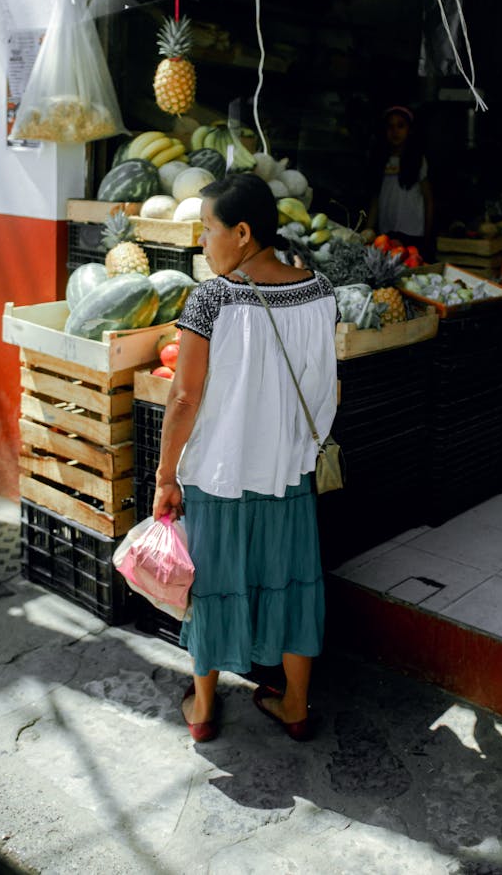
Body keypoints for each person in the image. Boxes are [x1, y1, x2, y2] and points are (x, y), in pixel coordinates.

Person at [152, 173, 338, 744]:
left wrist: (165, 475)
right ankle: (296, 705)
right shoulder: (320, 291)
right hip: (288, 472)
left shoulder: (211, 299)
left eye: (208, 230)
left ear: (242, 231)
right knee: (293, 584)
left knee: (211, 586)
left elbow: (184, 397)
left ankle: (204, 710)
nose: (202, 242)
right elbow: (328, 385)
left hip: (219, 474)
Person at [366, 105, 434, 256]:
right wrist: (367, 231)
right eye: (390, 126)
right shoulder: (379, 161)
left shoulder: (417, 161)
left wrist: (427, 235)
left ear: (409, 130)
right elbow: (375, 200)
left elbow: (428, 200)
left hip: (413, 233)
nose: (395, 131)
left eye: (400, 126)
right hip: (387, 233)